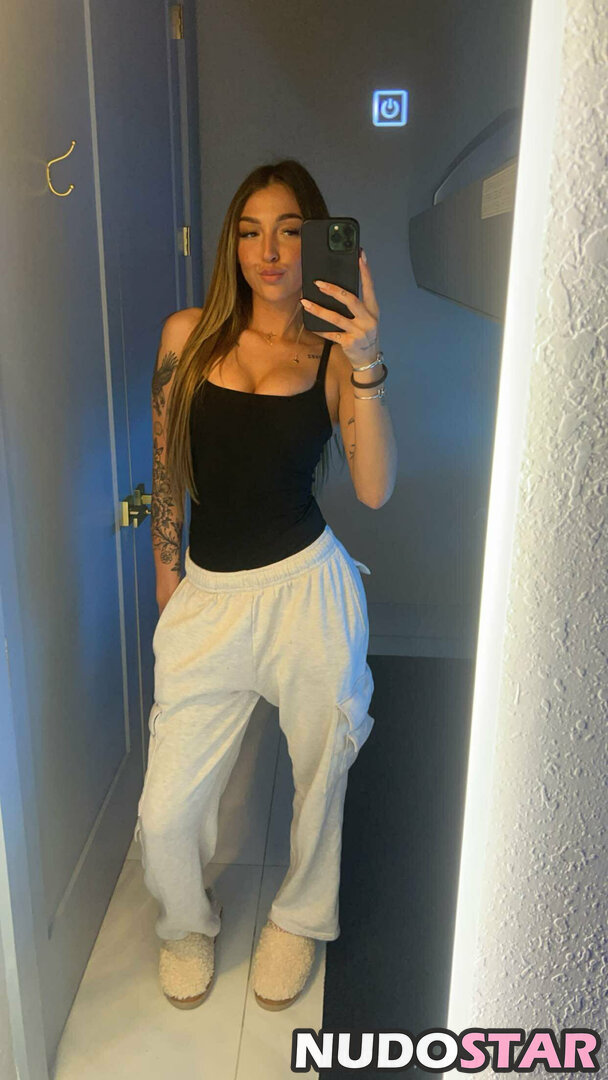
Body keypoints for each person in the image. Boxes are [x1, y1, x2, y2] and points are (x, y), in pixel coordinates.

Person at [133, 159, 397, 1011]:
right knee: (166, 811)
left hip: (305, 593)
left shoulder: (330, 354)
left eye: (289, 231)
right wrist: (169, 579)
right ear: (231, 245)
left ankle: (300, 918)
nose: (269, 251)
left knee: (322, 773)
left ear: (316, 240)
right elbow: (166, 468)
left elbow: (373, 488)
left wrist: (367, 359)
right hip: (208, 597)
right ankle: (185, 922)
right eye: (250, 232)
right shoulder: (186, 337)